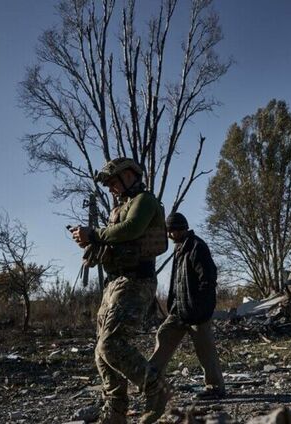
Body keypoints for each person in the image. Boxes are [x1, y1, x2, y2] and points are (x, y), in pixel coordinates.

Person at [69, 157, 170, 424]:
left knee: (111, 344)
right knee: (101, 352)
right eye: (109, 184)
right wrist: (92, 243)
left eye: (114, 181)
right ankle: (115, 413)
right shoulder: (121, 207)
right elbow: (117, 237)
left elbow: (132, 229)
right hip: (114, 282)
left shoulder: (145, 201)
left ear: (129, 176)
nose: (112, 188)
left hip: (136, 281)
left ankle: (155, 389)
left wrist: (95, 234)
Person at [148, 212, 226, 401]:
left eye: (171, 231)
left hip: (197, 312)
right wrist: (173, 306)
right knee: (163, 338)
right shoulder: (180, 248)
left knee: (205, 351)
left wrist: (202, 308)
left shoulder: (197, 247)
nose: (169, 235)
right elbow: (177, 281)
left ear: (180, 229)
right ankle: (149, 382)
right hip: (179, 311)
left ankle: (215, 388)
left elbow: (208, 279)